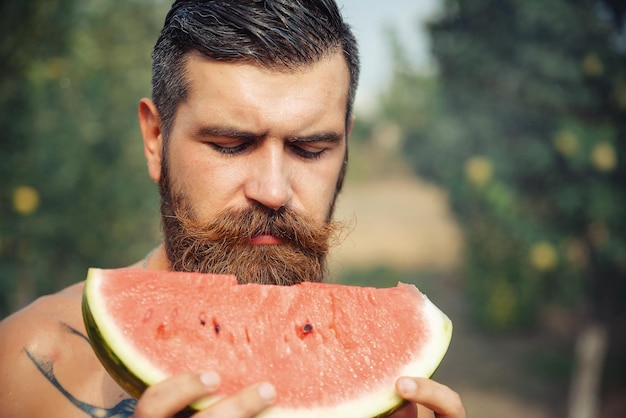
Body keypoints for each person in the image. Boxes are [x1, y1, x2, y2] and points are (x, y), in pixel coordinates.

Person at [0, 1, 466, 417]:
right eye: (230, 144)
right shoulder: (27, 366)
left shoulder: (395, 399)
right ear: (154, 140)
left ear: (345, 146)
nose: (272, 190)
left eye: (310, 148)